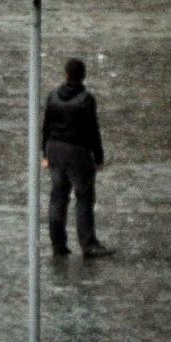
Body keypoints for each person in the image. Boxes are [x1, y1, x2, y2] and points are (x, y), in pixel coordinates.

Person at [43, 57, 109, 257]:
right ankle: (88, 243)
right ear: (83, 76)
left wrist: (44, 153)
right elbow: (92, 130)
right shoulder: (86, 99)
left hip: (55, 150)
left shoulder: (52, 96)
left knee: (58, 197)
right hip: (77, 153)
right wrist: (98, 157)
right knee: (84, 197)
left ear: (66, 74)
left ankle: (57, 243)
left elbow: (46, 127)